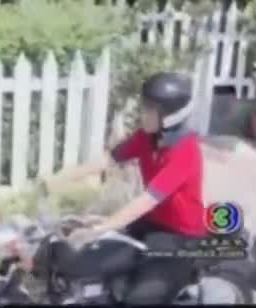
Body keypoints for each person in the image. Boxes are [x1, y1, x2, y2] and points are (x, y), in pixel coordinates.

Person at [43, 72, 207, 304]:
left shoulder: (185, 152)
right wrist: (60, 178)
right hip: (150, 224)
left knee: (137, 300)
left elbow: (147, 199)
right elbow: (109, 159)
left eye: (149, 109)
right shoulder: (147, 137)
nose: (142, 113)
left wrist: (103, 226)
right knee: (94, 264)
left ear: (169, 116)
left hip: (180, 238)